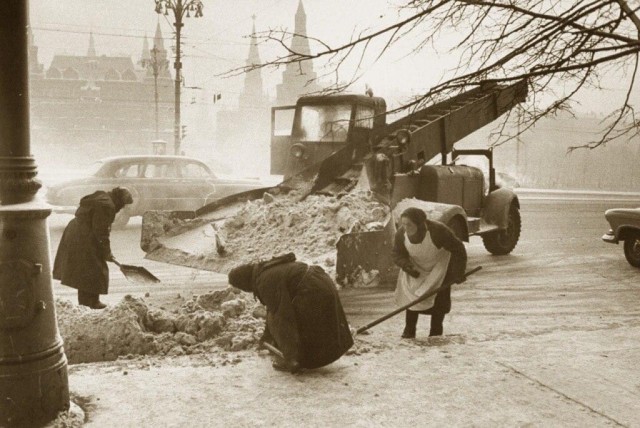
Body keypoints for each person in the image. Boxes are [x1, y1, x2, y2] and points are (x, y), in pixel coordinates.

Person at [228, 253, 353, 373]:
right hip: (322, 281)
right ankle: (326, 351)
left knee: (293, 321)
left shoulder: (264, 280)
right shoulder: (266, 270)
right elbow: (272, 309)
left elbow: (281, 317)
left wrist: (290, 357)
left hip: (311, 288)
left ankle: (301, 358)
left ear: (244, 283)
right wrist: (267, 337)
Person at [53, 187, 134, 309]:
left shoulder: (102, 196)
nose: (122, 208)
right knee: (95, 268)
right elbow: (101, 232)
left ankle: (88, 301)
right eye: (123, 205)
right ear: (119, 201)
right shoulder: (107, 206)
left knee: (86, 269)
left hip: (78, 232)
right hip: (84, 236)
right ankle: (91, 302)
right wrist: (106, 252)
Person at [392, 207, 467, 338]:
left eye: (409, 224)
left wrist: (458, 271)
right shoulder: (401, 234)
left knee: (439, 302)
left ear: (420, 224)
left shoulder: (438, 231)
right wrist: (406, 265)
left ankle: (435, 333)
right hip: (415, 267)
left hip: (439, 267)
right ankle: (409, 332)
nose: (405, 228)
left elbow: (458, 249)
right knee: (412, 299)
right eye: (403, 224)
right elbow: (398, 254)